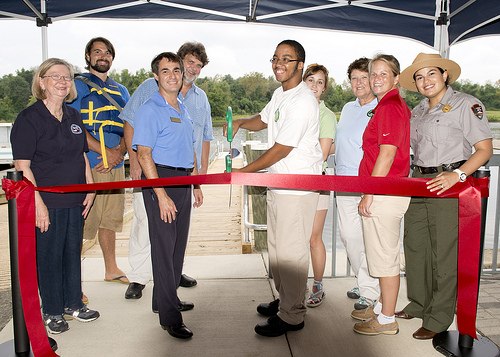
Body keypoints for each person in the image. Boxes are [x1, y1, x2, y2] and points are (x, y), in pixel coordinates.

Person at [224, 40, 323, 337]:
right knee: (278, 250)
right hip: (279, 185)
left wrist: (243, 172)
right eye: (276, 58)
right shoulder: (280, 94)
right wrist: (241, 122)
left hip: (298, 186)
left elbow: (282, 149)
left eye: (287, 58)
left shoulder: (303, 100)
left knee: (292, 254)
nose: (279, 63)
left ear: (300, 64)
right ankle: (285, 300)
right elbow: (264, 120)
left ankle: (293, 316)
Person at [397, 53, 493, 339]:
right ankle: (419, 302)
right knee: (415, 244)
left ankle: (438, 317)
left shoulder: (467, 104)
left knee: (444, 252)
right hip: (419, 181)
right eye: (419, 76)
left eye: (431, 74)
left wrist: (459, 175)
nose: (425, 81)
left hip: (450, 182)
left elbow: (484, 149)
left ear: (445, 76)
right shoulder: (418, 111)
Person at [10, 58, 99, 334]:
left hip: (75, 198)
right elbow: (22, 167)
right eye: (55, 76)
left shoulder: (73, 115)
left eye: (67, 77)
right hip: (45, 200)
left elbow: (81, 153)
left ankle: (73, 303)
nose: (62, 81)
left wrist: (91, 185)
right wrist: (37, 204)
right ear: (41, 82)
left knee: (73, 252)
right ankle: (51, 310)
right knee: (48, 256)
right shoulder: (29, 119)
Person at [121, 42, 212, 300]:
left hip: (184, 173)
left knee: (176, 232)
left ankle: (172, 276)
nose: (192, 68)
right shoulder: (151, 90)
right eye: (189, 62)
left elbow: (204, 136)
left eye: (198, 64)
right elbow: (129, 121)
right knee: (144, 224)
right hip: (153, 169)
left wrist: (200, 175)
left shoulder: (199, 99)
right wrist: (136, 159)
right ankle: (138, 277)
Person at [132, 52, 203, 339]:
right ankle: (170, 317)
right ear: (156, 77)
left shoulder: (183, 106)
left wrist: (196, 183)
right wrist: (160, 194)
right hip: (160, 180)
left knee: (176, 246)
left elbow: (190, 147)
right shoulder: (150, 109)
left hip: (183, 180)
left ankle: (165, 299)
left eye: (176, 69)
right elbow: (144, 154)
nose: (173, 75)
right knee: (163, 248)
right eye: (165, 71)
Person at [351, 54, 411, 336]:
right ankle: (382, 308)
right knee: (380, 254)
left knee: (385, 258)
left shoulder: (390, 107)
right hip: (383, 191)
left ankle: (387, 319)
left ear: (396, 78)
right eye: (373, 74)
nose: (375, 79)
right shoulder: (386, 105)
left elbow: (387, 153)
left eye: (383, 74)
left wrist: (370, 192)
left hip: (385, 192)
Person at [69, 37, 130, 289]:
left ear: (112, 58)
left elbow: (130, 125)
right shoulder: (77, 85)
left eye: (107, 53)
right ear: (88, 57)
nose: (102, 56)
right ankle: (73, 280)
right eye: (97, 52)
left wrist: (120, 151)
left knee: (110, 218)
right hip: (88, 165)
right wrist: (105, 151)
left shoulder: (122, 90)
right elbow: (71, 124)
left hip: (115, 165)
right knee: (81, 222)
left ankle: (111, 268)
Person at [335, 58, 380, 311]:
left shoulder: (380, 108)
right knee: (349, 236)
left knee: (367, 237)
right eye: (354, 78)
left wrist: (370, 187)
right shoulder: (349, 107)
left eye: (364, 77)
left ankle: (370, 289)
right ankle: (363, 281)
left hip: (366, 182)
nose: (359, 83)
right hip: (343, 180)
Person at [302, 63, 336, 307]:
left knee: (314, 238)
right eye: (310, 80)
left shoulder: (326, 115)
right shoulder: (294, 109)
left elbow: (322, 154)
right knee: (294, 239)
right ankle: (293, 288)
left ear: (324, 89)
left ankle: (318, 284)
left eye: (320, 82)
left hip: (316, 182)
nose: (314, 85)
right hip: (291, 184)